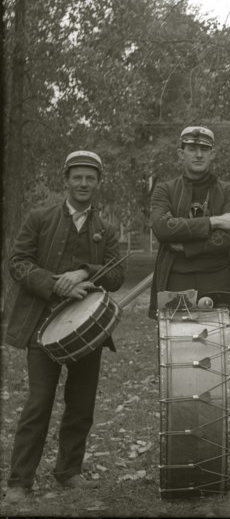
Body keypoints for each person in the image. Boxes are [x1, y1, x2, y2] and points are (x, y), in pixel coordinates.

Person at [4, 151, 126, 503]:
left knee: (81, 404)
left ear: (98, 183)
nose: (84, 183)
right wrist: (56, 283)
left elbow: (116, 274)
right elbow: (17, 263)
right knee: (38, 402)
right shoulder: (39, 218)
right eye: (78, 177)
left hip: (87, 331)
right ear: (66, 180)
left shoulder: (106, 229)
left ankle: (68, 472)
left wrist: (86, 271)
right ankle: (18, 482)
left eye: (91, 178)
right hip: (42, 328)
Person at [149, 126, 230, 317]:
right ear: (181, 153)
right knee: (177, 342)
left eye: (204, 149)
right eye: (192, 149)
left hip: (219, 281)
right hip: (175, 280)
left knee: (216, 343)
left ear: (213, 154)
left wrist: (185, 247)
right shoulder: (164, 190)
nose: (199, 155)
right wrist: (213, 221)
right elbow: (162, 229)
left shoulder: (229, 191)